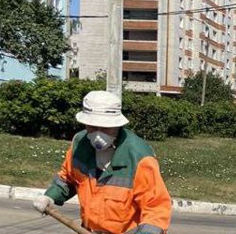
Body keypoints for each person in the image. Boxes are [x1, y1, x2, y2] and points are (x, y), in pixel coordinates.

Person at [33, 90, 172, 234]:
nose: (98, 134)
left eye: (105, 128)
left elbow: (156, 209)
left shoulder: (138, 156)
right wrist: (50, 196)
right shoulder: (79, 145)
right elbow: (68, 179)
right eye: (92, 127)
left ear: (117, 125)